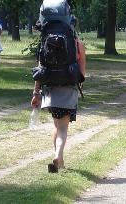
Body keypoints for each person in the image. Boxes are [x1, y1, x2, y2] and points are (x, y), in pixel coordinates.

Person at [31, 24, 86, 173]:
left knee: (57, 126)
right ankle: (58, 156)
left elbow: (40, 71)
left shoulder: (47, 42)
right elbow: (82, 74)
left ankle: (59, 161)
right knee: (62, 128)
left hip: (50, 90)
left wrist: (36, 93)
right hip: (68, 89)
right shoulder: (78, 45)